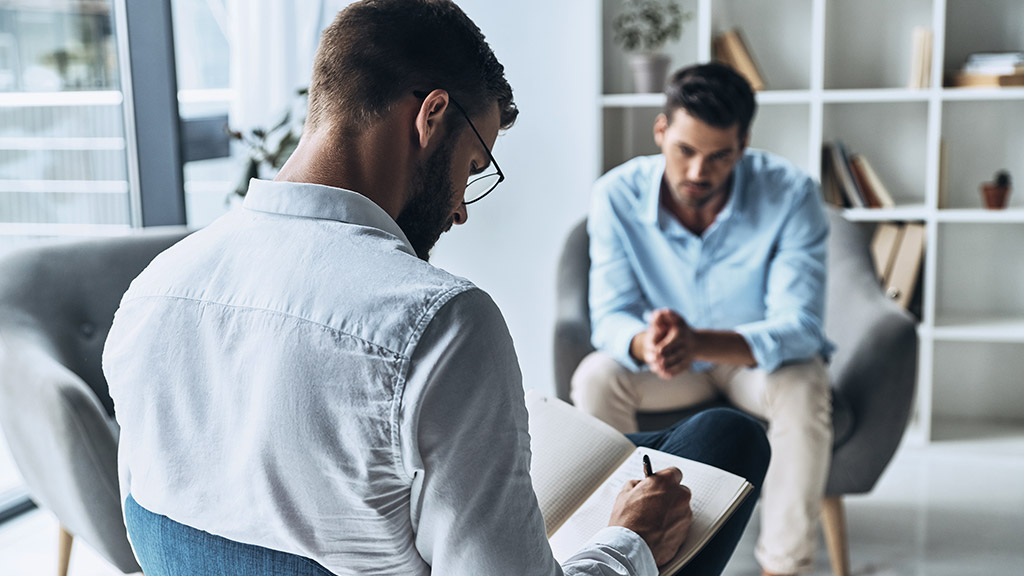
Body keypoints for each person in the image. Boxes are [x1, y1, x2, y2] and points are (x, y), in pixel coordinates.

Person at [103, 3, 768, 575]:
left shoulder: (155, 288)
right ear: (431, 115)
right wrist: (630, 543)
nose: (460, 208)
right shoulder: (438, 322)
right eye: (472, 166)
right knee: (723, 444)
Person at [571, 62, 833, 576]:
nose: (698, 172)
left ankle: (784, 566)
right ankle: (614, 553)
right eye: (685, 151)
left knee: (805, 384)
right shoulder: (616, 195)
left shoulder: (791, 192)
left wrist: (702, 342)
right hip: (665, 366)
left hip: (750, 364)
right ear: (661, 130)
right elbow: (610, 317)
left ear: (743, 144)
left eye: (719, 156)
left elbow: (800, 326)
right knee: (596, 376)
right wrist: (650, 344)